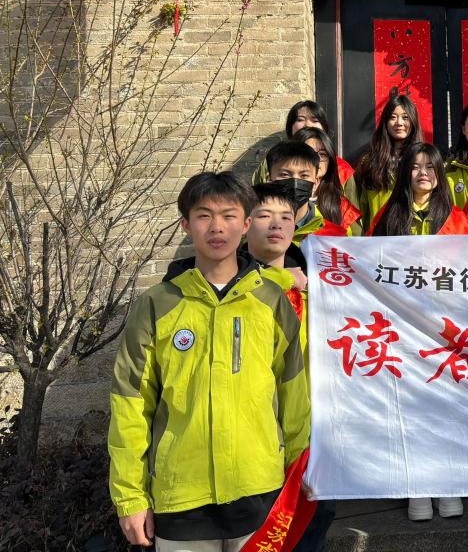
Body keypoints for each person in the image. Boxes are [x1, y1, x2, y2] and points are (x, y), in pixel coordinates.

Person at [108, 172, 309, 551]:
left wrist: (301, 469)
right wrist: (130, 496)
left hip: (260, 489)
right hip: (181, 495)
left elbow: (293, 392)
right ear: (186, 224)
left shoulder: (270, 301)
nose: (217, 227)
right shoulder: (157, 304)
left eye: (229, 215)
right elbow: (131, 404)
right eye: (204, 215)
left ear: (245, 224)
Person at [371, 143, 468, 521]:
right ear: (405, 173)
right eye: (415, 167)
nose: (423, 173)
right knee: (410, 409)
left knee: (446, 408)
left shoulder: (457, 219)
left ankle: (448, 483)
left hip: (445, 331)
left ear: (440, 174)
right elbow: (369, 267)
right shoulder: (388, 216)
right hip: (402, 329)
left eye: (430, 166)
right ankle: (417, 486)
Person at [244, 183, 336, 552]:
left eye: (286, 217)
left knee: (314, 524)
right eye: (264, 215)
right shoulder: (232, 290)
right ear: (244, 224)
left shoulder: (319, 288)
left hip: (315, 431)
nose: (277, 224)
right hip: (257, 436)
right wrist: (282, 278)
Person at [252, 100, 356, 191]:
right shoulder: (272, 161)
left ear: (324, 127)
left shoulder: (342, 169)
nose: (308, 124)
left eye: (315, 120)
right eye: (300, 119)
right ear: (290, 127)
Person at [356, 94, 422, 233]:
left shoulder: (423, 161)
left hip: (411, 237)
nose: (399, 123)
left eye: (405, 117)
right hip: (377, 237)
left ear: (413, 121)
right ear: (385, 122)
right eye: (393, 117)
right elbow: (359, 206)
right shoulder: (369, 162)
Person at [293, 127, 361, 236]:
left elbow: (353, 241)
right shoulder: (280, 199)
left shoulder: (341, 205)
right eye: (308, 152)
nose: (317, 159)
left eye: (323, 154)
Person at [266, 140, 324, 244]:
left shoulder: (332, 236)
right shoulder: (251, 230)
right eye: (285, 174)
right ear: (269, 180)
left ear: (315, 183)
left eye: (304, 175)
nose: (295, 183)